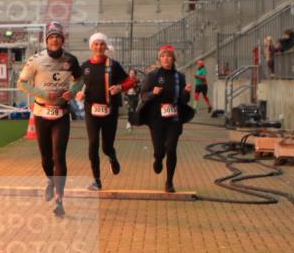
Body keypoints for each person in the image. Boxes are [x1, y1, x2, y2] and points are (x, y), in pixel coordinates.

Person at [17, 21, 82, 218]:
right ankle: (51, 181)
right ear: (47, 40)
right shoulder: (36, 59)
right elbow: (21, 83)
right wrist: (42, 93)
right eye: (51, 37)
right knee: (46, 158)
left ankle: (59, 199)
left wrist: (72, 91)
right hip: (42, 113)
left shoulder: (71, 59)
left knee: (59, 155)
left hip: (61, 113)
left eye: (58, 37)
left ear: (62, 40)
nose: (55, 40)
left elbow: (79, 81)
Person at [76, 33, 134, 191]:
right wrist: (78, 94)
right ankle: (96, 179)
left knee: (106, 146)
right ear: (91, 47)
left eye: (102, 44)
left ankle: (112, 156)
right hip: (91, 111)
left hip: (110, 111)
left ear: (106, 47)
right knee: (93, 143)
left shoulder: (113, 65)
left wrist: (120, 88)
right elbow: (76, 84)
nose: (99, 47)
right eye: (96, 44)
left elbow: (130, 80)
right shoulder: (85, 66)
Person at [139, 45, 192, 193]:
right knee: (160, 151)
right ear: (159, 59)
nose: (166, 58)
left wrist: (186, 93)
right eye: (163, 56)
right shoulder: (153, 75)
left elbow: (183, 100)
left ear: (173, 58)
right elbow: (143, 95)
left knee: (171, 148)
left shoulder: (179, 77)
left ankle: (169, 182)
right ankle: (157, 158)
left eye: (168, 56)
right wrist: (153, 93)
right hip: (156, 118)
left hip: (174, 118)